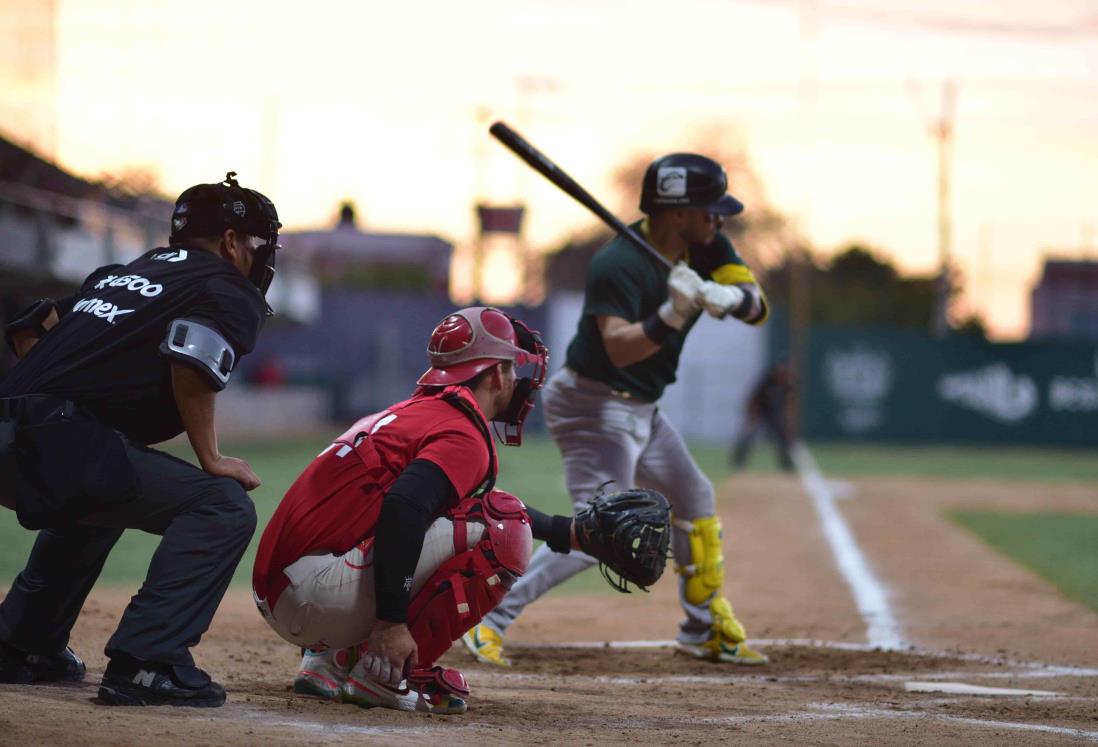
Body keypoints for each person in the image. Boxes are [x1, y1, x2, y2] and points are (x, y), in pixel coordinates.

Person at [465, 153, 771, 666]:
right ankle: (487, 619)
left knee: (695, 499)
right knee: (600, 532)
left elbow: (756, 304)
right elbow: (620, 348)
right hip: (593, 401)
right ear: (678, 214)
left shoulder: (708, 244)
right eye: (709, 211)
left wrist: (720, 295)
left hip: (641, 406)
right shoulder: (618, 265)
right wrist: (673, 313)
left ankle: (700, 629)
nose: (718, 221)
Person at [0, 172, 281, 707]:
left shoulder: (128, 271)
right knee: (221, 507)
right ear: (230, 242)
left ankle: (21, 646)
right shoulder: (227, 286)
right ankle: (147, 663)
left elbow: (28, 325)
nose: (260, 258)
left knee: (97, 491)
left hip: (11, 424)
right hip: (55, 436)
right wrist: (211, 457)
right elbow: (191, 358)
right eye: (256, 245)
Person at [253, 307, 596, 716]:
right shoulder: (462, 431)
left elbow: (435, 504)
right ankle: (383, 674)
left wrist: (564, 531)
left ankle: (330, 659)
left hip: (288, 587)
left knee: (473, 515)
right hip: (314, 596)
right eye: (513, 369)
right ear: (498, 374)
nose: (519, 382)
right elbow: (405, 509)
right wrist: (391, 623)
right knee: (505, 529)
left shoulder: (416, 414)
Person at [731, 362, 795, 472]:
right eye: (781, 372)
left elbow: (787, 404)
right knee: (748, 436)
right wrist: (751, 418)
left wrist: (786, 422)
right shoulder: (766, 381)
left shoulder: (787, 385)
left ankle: (786, 465)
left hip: (773, 413)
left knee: (782, 436)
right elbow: (753, 400)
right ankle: (738, 463)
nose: (783, 375)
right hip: (759, 411)